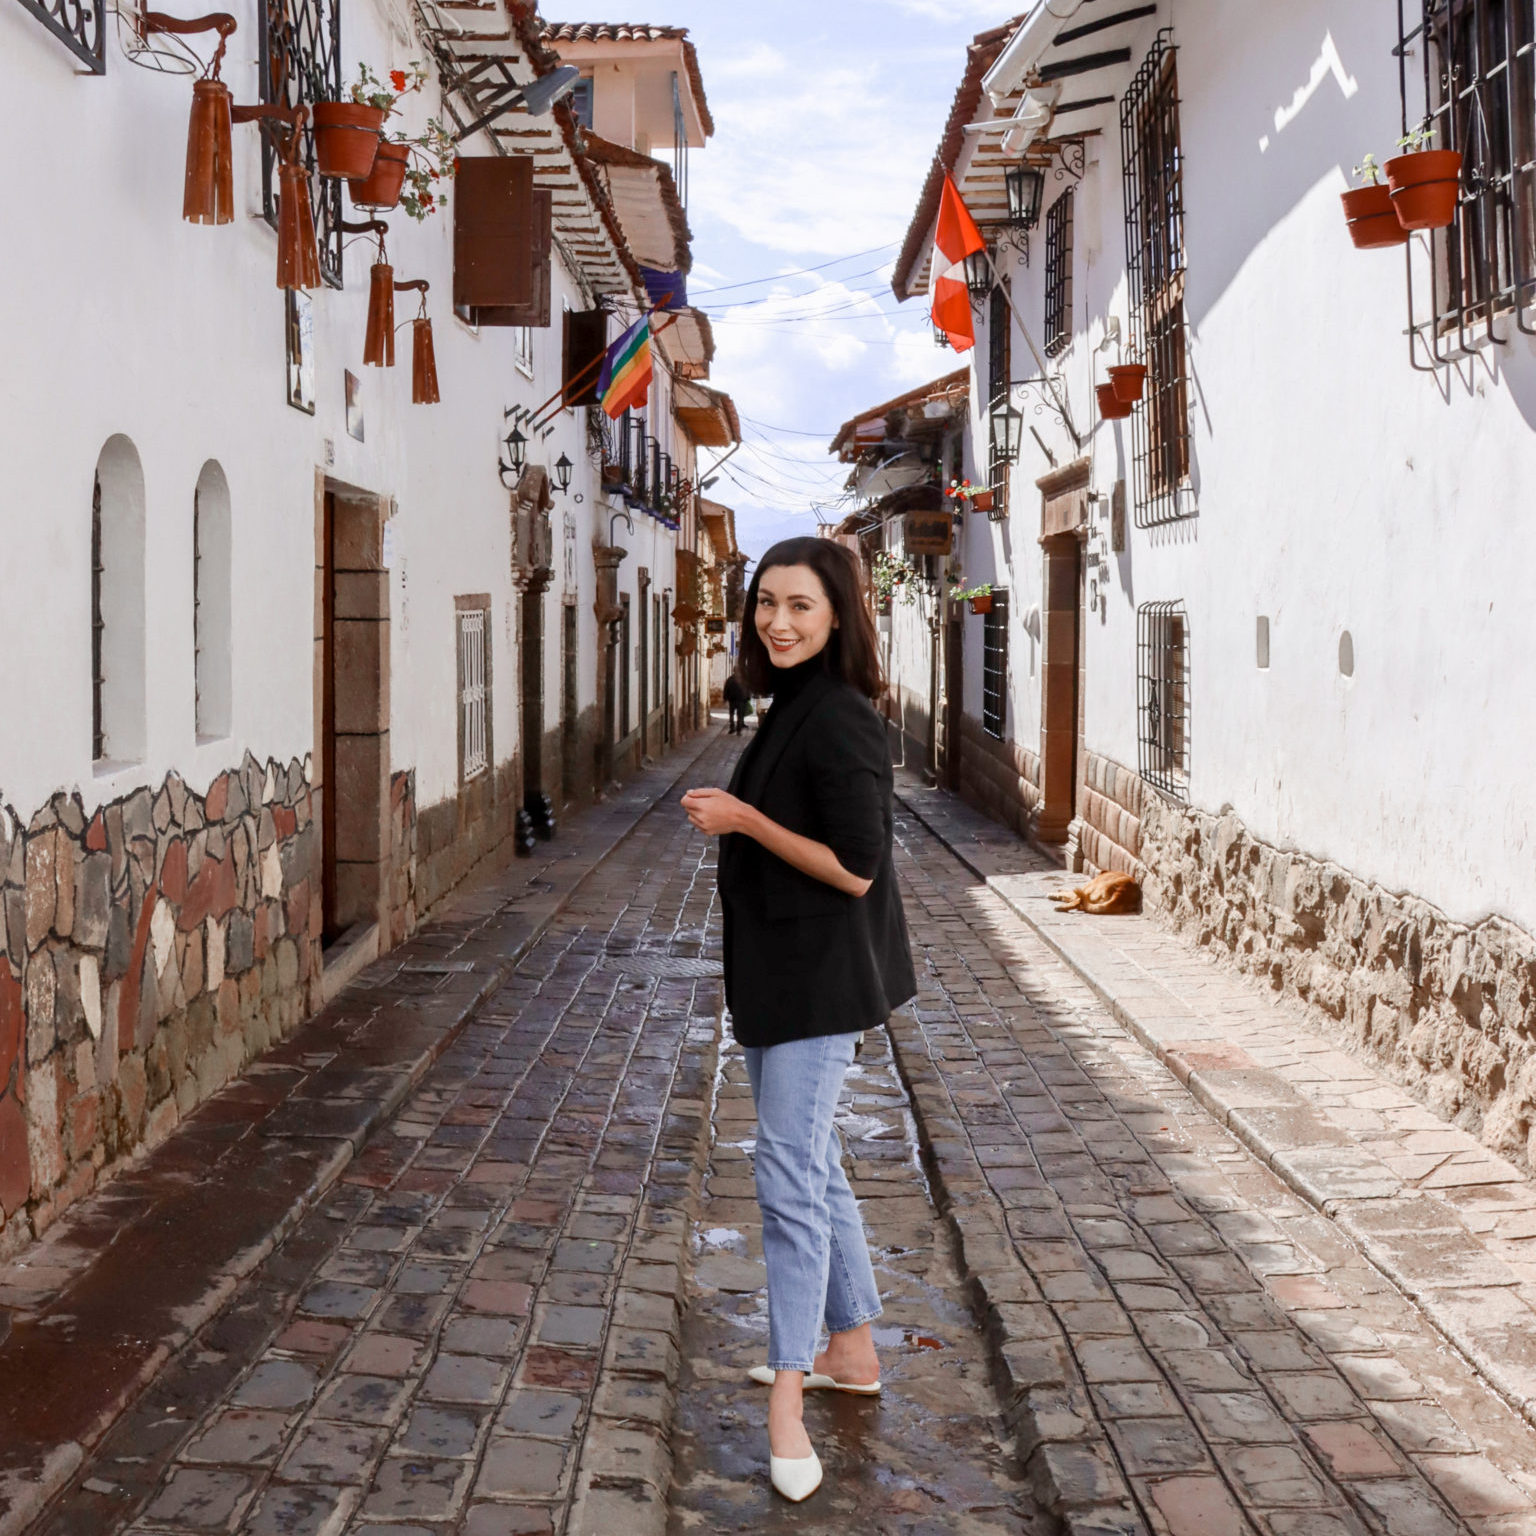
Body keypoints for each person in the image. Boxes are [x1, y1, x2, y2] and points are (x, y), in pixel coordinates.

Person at [681, 537, 917, 1503]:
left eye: (800, 607)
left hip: (819, 982)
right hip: (781, 977)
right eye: (766, 604)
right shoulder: (794, 704)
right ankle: (852, 1352)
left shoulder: (845, 719)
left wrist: (743, 823)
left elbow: (855, 867)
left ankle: (787, 1394)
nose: (778, 622)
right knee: (812, 1161)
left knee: (783, 1174)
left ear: (837, 617)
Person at [722, 670, 749, 734]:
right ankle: (738, 730)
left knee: (731, 714)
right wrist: (747, 697)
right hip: (741, 700)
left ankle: (732, 728)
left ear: (733, 671)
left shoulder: (730, 679)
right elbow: (748, 689)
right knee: (739, 715)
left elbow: (726, 689)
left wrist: (725, 698)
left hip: (732, 700)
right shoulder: (744, 679)